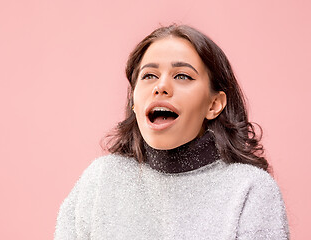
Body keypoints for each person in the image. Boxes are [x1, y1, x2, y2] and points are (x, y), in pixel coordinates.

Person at [54, 24, 290, 239]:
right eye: (149, 76)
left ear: (214, 104)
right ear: (134, 101)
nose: (161, 86)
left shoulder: (251, 189)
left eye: (182, 76)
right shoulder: (99, 180)